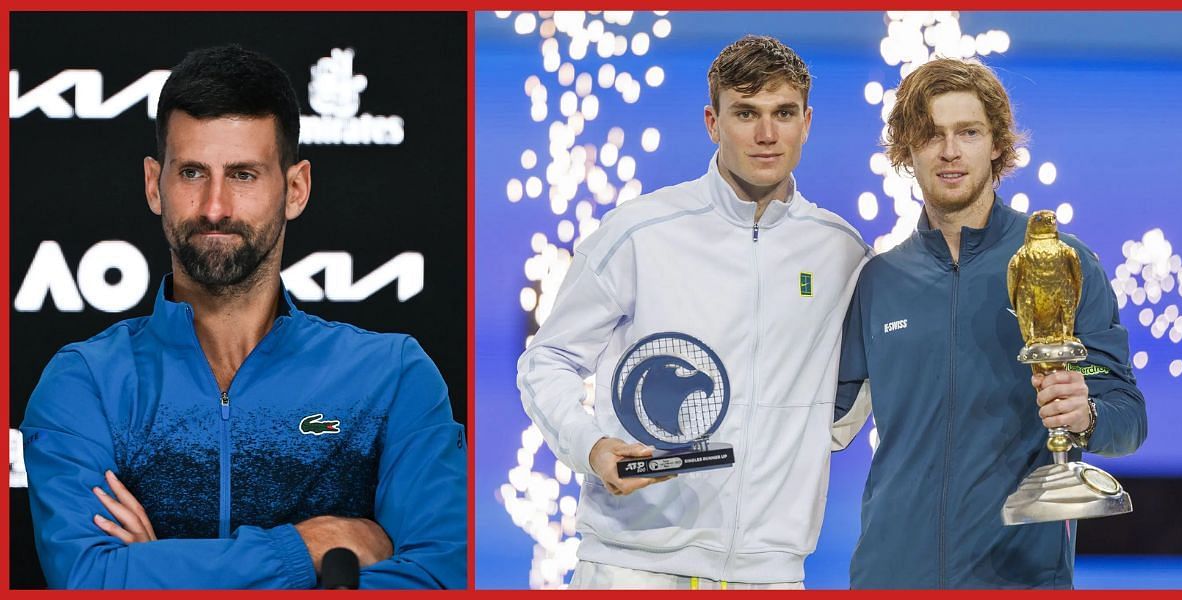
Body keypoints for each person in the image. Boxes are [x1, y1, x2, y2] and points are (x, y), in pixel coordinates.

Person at [19, 45, 466, 590]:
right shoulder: (87, 382)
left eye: (244, 175)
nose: (214, 206)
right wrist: (307, 548)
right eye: (191, 173)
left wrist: (163, 573)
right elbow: (88, 579)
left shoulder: (393, 377)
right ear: (152, 184)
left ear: (295, 188)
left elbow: (436, 577)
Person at [517, 35, 871, 589]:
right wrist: (591, 445)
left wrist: (802, 436)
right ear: (712, 121)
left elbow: (863, 374)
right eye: (745, 113)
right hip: (633, 563)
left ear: (807, 121)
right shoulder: (639, 231)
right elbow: (548, 360)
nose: (765, 134)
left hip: (771, 573)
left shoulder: (841, 251)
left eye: (783, 113)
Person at [834, 57, 1147, 589]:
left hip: (1020, 576)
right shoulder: (877, 281)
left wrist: (1086, 414)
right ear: (907, 151)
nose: (949, 151)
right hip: (890, 574)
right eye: (930, 135)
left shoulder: (1058, 261)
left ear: (998, 143)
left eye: (968, 132)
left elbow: (1128, 417)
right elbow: (815, 420)